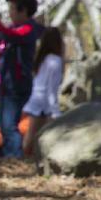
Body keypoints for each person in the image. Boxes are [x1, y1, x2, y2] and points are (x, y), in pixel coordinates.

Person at [0, 0, 44, 158]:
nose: (9, 14)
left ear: (23, 11)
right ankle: (12, 157)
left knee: (10, 126)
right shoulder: (14, 30)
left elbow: (11, 36)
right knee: (5, 126)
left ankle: (15, 158)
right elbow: (1, 38)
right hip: (6, 86)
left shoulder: (28, 30)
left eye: (12, 9)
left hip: (17, 85)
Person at [21, 26, 64, 156]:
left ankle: (25, 158)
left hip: (36, 99)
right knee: (50, 135)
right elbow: (52, 88)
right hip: (44, 102)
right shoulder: (55, 61)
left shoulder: (42, 59)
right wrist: (55, 111)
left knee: (32, 135)